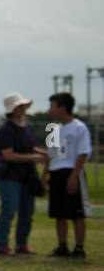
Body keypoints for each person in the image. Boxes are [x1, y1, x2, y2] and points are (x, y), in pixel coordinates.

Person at [0, 91, 46, 256]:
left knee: (27, 212)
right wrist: (34, 157)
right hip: (10, 177)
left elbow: (29, 147)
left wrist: (43, 153)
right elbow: (9, 155)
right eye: (20, 107)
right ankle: (2, 245)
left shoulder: (27, 127)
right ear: (13, 109)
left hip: (27, 175)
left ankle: (22, 244)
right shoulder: (5, 131)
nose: (23, 109)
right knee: (9, 210)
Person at [44, 92, 91, 258]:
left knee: (76, 213)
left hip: (71, 172)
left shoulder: (79, 127)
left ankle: (79, 247)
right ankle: (62, 246)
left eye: (52, 106)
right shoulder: (55, 130)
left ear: (63, 108)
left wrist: (74, 176)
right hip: (56, 173)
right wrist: (45, 176)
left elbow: (83, 153)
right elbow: (50, 155)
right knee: (59, 213)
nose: (50, 110)